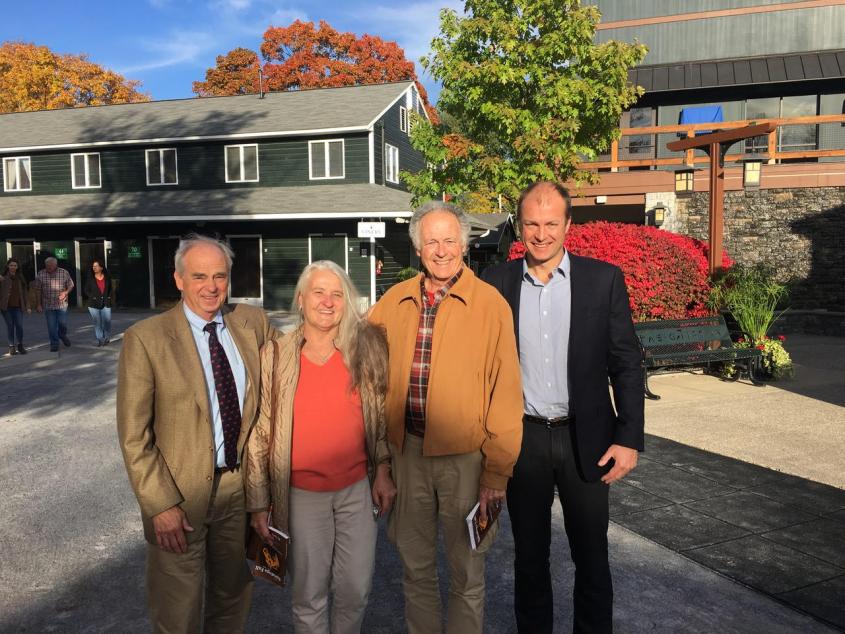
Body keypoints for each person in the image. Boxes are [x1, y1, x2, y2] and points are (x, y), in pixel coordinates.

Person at [482, 182, 645, 633]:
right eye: (532, 223)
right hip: (524, 439)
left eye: (551, 223)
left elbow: (627, 363)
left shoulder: (603, 279)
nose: (541, 233)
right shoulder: (496, 283)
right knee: (529, 557)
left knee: (591, 556)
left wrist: (628, 438)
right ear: (519, 225)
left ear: (568, 225)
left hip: (586, 439)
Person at [369, 201, 523, 633]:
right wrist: (381, 463)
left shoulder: (490, 305)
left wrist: (497, 474)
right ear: (418, 249)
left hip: (466, 462)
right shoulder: (393, 302)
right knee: (415, 571)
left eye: (449, 240)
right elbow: (365, 375)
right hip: (407, 457)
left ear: (464, 244)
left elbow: (506, 394)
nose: (441, 250)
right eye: (431, 241)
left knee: (467, 574)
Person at [117, 234, 278, 632]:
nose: (211, 287)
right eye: (200, 276)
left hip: (238, 491)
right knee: (178, 611)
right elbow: (135, 437)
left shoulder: (251, 323)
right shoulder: (147, 338)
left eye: (219, 276)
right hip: (180, 498)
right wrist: (159, 504)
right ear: (178, 279)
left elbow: (294, 368)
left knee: (232, 599)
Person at [246, 260, 396, 633]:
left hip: (355, 493)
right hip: (300, 496)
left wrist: (382, 470)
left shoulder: (365, 348)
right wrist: (258, 500)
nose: (327, 302)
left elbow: (377, 419)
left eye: (337, 294)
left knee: (355, 589)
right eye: (318, 292)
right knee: (309, 594)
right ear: (300, 299)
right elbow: (262, 429)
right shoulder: (277, 354)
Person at [33, 257, 74, 352]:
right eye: (47, 266)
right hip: (48, 304)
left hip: (61, 304)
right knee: (51, 326)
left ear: (56, 265)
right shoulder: (41, 274)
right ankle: (54, 344)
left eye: (51, 266)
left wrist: (66, 292)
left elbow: (71, 285)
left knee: (62, 324)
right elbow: (38, 290)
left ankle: (62, 335)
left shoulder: (64, 272)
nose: (49, 267)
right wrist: (38, 304)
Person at [0, 257, 31, 355]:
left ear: (17, 267)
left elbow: (25, 292)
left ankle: (20, 345)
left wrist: (28, 306)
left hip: (18, 306)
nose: (13, 267)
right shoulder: (3, 277)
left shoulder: (20, 277)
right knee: (10, 326)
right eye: (11, 265)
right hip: (6, 307)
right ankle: (11, 346)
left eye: (15, 265)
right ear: (7, 266)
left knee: (19, 326)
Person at [83, 258, 113, 346]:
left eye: (96, 266)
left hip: (106, 303)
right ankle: (100, 339)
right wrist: (93, 297)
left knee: (107, 321)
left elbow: (111, 288)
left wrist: (109, 297)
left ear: (101, 267)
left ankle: (107, 337)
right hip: (93, 304)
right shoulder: (90, 278)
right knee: (97, 322)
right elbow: (86, 290)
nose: (94, 268)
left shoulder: (107, 277)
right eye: (93, 266)